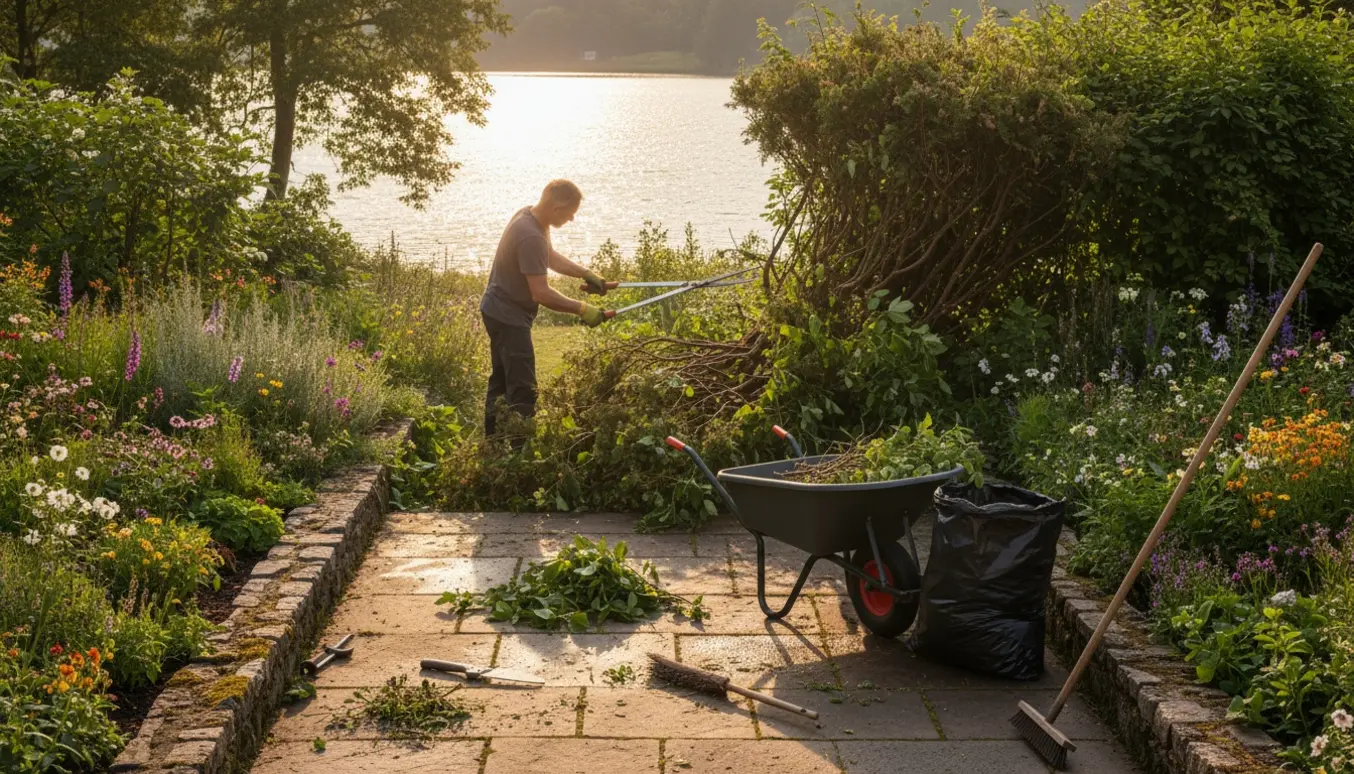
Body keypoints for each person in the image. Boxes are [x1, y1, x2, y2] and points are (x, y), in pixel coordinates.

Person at [479, 179, 610, 437]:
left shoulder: (531, 216)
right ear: (556, 207)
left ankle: (492, 444)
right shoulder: (530, 235)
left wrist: (585, 273)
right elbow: (541, 293)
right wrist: (583, 309)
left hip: (496, 308)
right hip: (508, 316)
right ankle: (521, 451)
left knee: (502, 380)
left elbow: (547, 255)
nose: (572, 219)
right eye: (570, 213)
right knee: (523, 388)